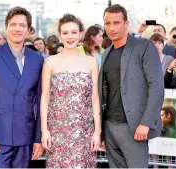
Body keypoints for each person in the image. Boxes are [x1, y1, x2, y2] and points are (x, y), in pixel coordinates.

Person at [0, 6, 44, 168]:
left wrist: (38, 138)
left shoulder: (37, 59)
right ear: (6, 28)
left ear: (28, 30)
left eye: (22, 25)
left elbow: (41, 100)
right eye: (13, 24)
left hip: (25, 136)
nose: (17, 29)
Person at [99, 4, 164, 168]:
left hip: (134, 126)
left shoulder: (143, 46)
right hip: (109, 125)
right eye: (108, 23)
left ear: (126, 23)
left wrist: (146, 123)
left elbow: (156, 86)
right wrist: (100, 129)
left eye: (117, 23)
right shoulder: (106, 53)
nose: (112, 28)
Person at [41, 13, 101, 168]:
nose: (70, 37)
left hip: (84, 130)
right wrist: (44, 131)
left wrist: (97, 131)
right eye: (65, 33)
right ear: (60, 35)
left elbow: (95, 98)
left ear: (81, 34)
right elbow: (45, 97)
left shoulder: (91, 62)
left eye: (74, 32)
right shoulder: (50, 62)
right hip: (57, 131)